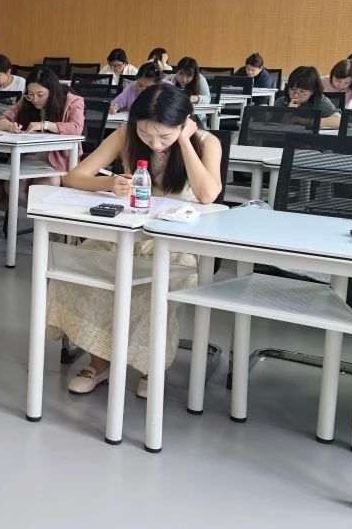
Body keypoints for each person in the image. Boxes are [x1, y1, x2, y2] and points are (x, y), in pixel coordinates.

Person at [48, 83, 223, 397]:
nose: (154, 143)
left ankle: (151, 366)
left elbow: (208, 194)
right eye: (145, 133)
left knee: (148, 290)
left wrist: (184, 141)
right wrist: (109, 183)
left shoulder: (206, 142)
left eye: (164, 135)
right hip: (128, 234)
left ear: (185, 122)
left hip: (176, 241)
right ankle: (100, 362)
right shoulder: (126, 136)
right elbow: (74, 177)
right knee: (79, 272)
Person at [0, 66, 85, 209]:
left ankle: (49, 220)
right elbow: (1, 118)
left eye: (40, 95)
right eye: (31, 94)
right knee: (15, 187)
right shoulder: (27, 100)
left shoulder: (72, 101)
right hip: (30, 156)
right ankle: (45, 217)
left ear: (52, 91)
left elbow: (76, 128)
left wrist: (45, 125)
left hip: (59, 160)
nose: (35, 99)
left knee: (48, 184)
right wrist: (10, 126)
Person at [275, 65, 340, 130]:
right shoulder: (283, 101)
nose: (296, 95)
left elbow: (338, 120)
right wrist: (290, 111)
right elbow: (273, 124)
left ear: (313, 91)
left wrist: (306, 121)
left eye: (302, 91)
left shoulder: (319, 101)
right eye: (293, 90)